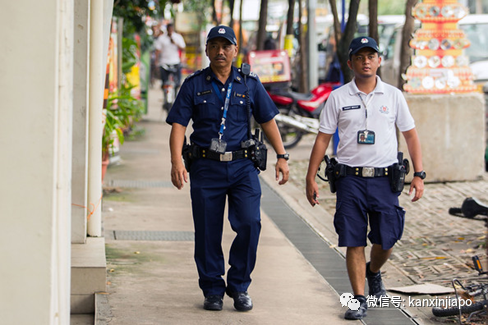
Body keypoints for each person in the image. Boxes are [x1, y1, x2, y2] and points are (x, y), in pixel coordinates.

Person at [166, 25, 289, 312]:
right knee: (208, 231)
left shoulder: (249, 83)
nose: (220, 51)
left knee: (250, 223)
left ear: (235, 50)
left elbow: (268, 119)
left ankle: (239, 286)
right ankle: (212, 289)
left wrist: (282, 155)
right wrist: (175, 162)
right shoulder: (193, 84)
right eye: (215, 46)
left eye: (226, 46)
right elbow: (178, 126)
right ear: (207, 50)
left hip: (243, 167)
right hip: (206, 168)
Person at [305, 36, 425, 320]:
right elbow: (323, 139)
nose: (366, 61)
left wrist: (419, 174)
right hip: (350, 180)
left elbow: (410, 135)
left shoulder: (394, 96)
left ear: (379, 60)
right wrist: (310, 177)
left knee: (388, 238)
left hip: (385, 180)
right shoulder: (338, 97)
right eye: (360, 57)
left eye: (371, 56)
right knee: (353, 239)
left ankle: (373, 271)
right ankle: (358, 299)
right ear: (350, 63)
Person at [154, 23, 186, 102]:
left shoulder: (177, 37)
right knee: (164, 82)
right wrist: (156, 62)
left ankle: (175, 97)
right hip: (164, 63)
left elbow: (183, 48)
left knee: (177, 82)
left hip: (175, 62)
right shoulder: (162, 38)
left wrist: (175, 43)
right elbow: (157, 50)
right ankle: (165, 98)